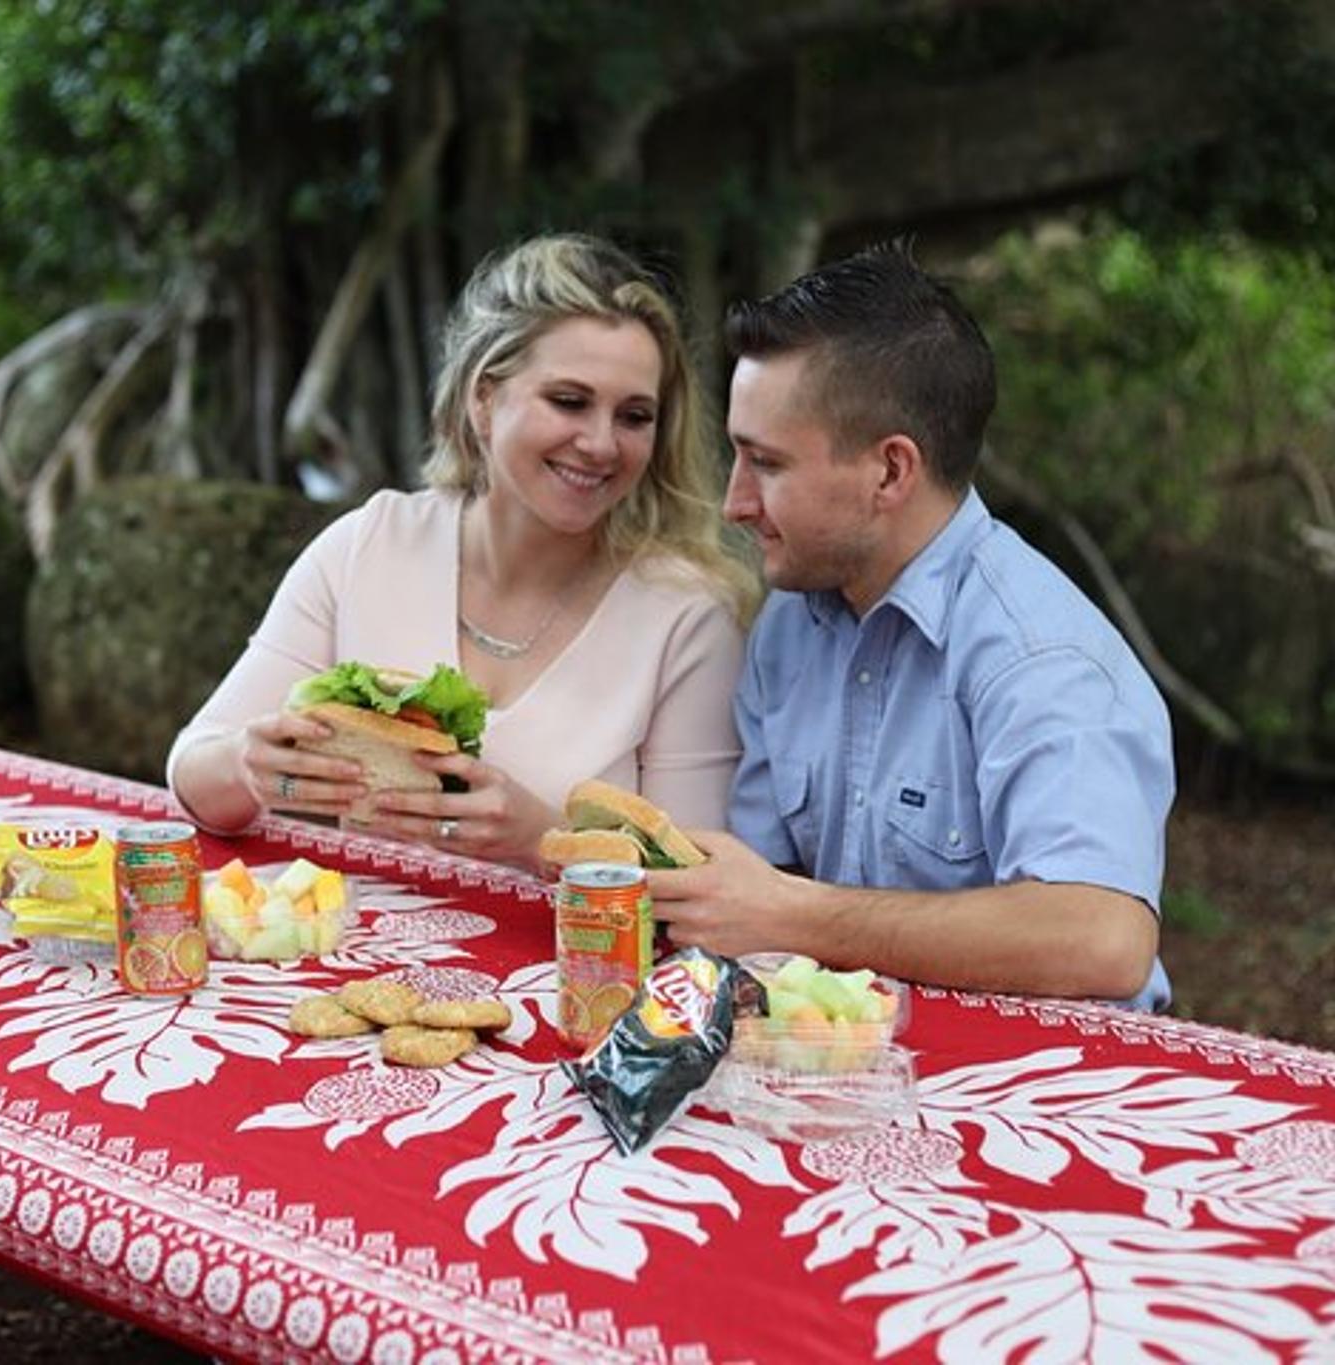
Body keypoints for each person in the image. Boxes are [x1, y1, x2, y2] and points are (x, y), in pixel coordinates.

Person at [651, 242, 1173, 1009]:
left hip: (1043, 1086)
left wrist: (801, 917)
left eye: (766, 463)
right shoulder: (789, 625)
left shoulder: (1040, 654)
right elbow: (761, 887)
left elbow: (1102, 938)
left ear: (891, 471)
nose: (733, 502)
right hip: (839, 1062)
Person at [167, 233, 759, 867]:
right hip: (365, 956)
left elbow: (696, 885)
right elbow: (192, 775)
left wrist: (542, 841)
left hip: (581, 964)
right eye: (568, 401)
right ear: (483, 397)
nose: (601, 443)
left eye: (634, 416)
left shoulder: (685, 614)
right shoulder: (368, 546)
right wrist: (249, 766)